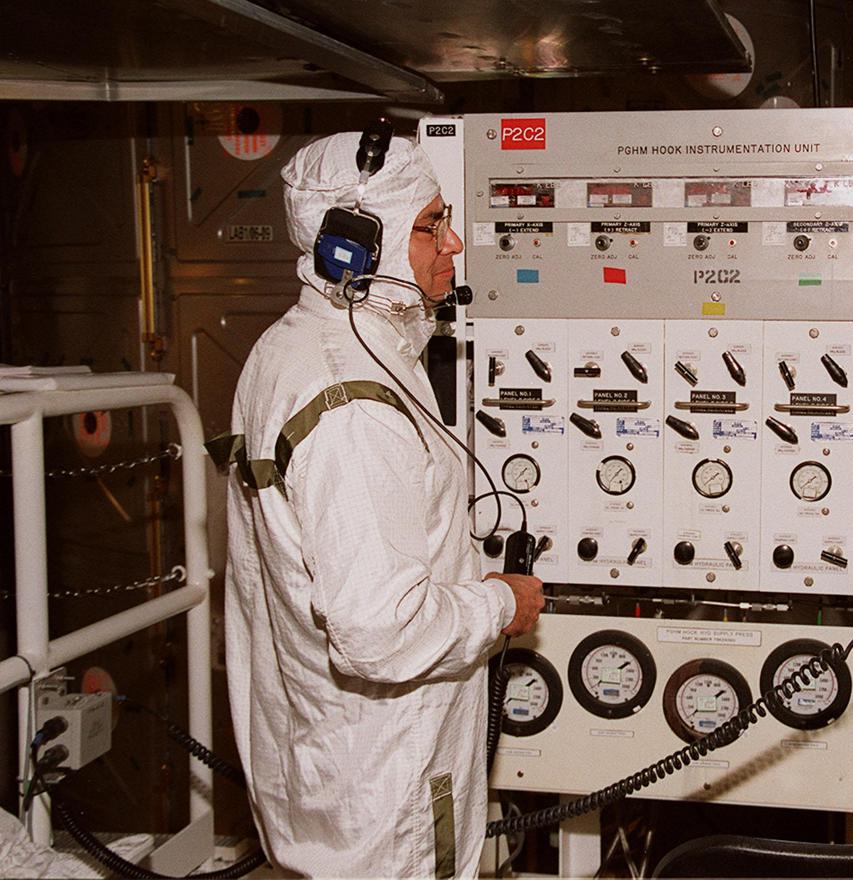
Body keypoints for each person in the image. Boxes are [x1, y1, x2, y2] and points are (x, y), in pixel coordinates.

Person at [212, 130, 544, 878]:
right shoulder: (353, 405)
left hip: (331, 754)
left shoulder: (293, 347)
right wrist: (500, 604)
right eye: (430, 225)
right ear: (357, 246)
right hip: (389, 787)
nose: (452, 241)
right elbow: (377, 631)